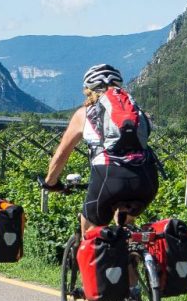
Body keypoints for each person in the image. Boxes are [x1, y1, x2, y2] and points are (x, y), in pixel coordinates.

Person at [42, 64, 158, 230]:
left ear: (89, 90)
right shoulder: (137, 113)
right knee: (127, 228)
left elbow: (61, 154)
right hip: (146, 178)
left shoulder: (84, 113)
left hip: (109, 176)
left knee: (90, 233)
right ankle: (135, 253)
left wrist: (50, 182)